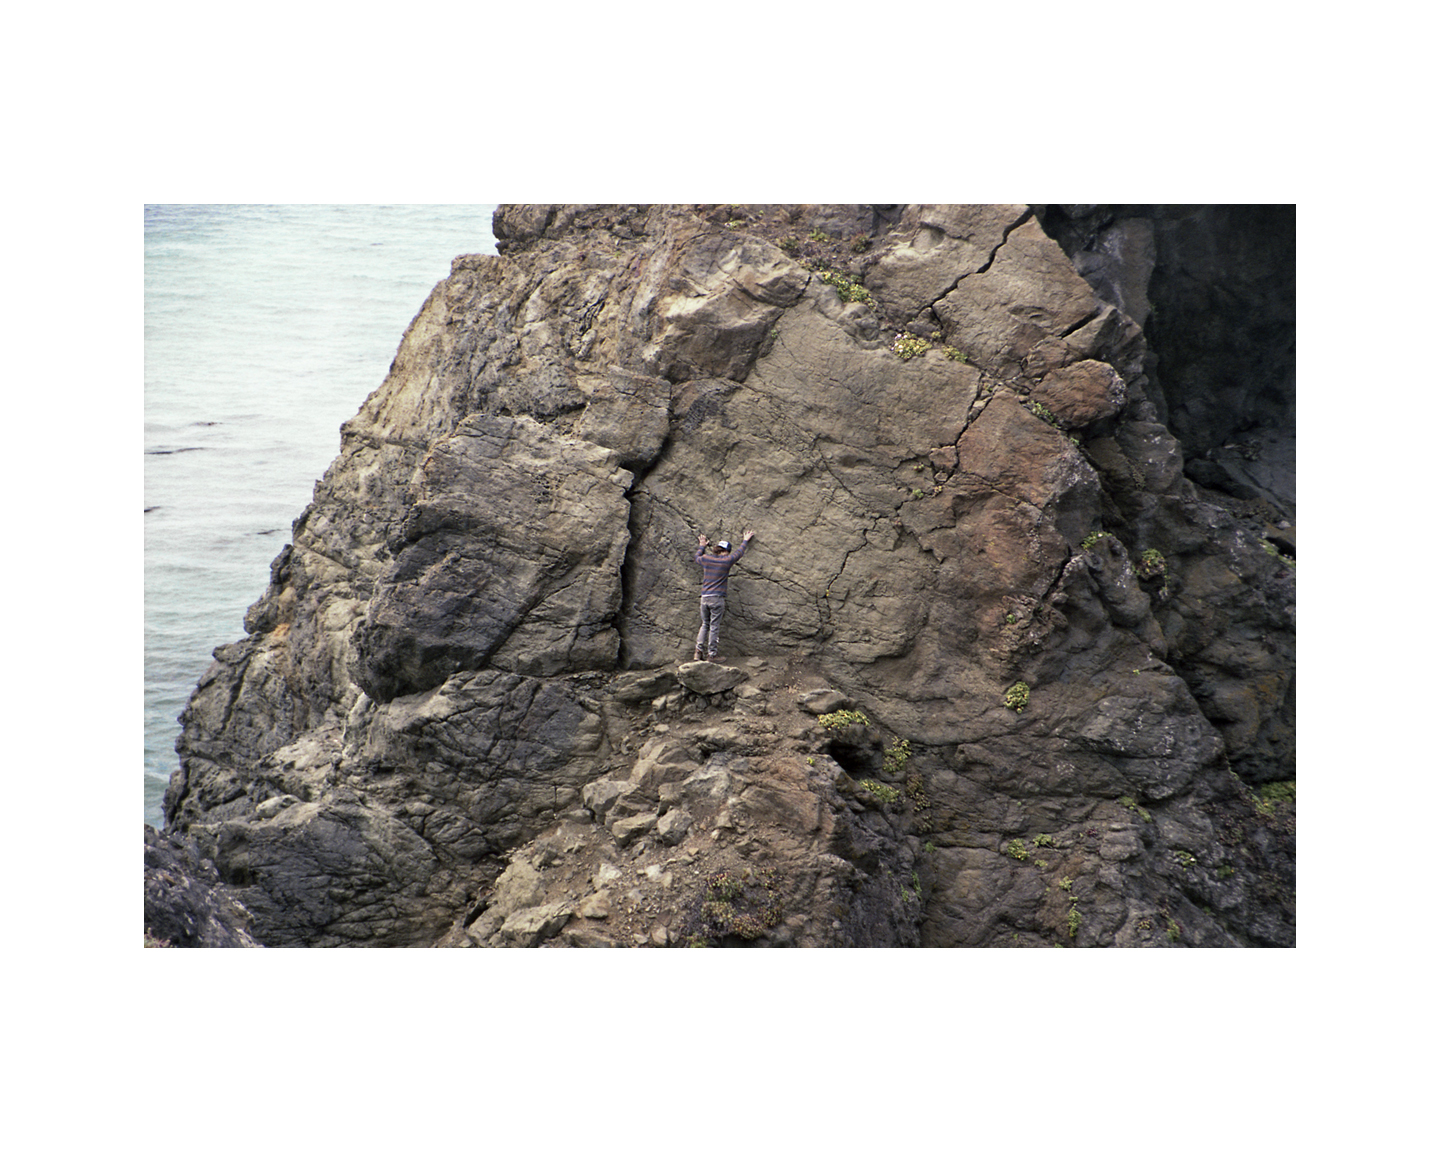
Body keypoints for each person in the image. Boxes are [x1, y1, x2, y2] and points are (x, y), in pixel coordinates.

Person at [693, 529, 755, 662]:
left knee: (705, 624)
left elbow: (697, 557)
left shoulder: (706, 558)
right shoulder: (726, 561)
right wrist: (745, 540)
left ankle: (698, 653)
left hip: (704, 597)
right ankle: (712, 655)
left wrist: (702, 546)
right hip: (717, 598)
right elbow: (739, 553)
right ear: (726, 551)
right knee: (714, 626)